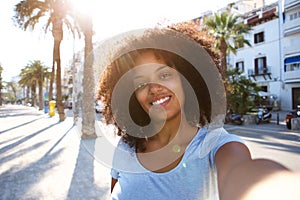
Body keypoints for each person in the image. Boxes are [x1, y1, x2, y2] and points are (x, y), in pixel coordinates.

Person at [96, 27, 300, 200]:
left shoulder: (216, 146)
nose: (154, 87)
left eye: (164, 74)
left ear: (188, 80)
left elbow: (242, 173)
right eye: (140, 83)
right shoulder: (126, 146)